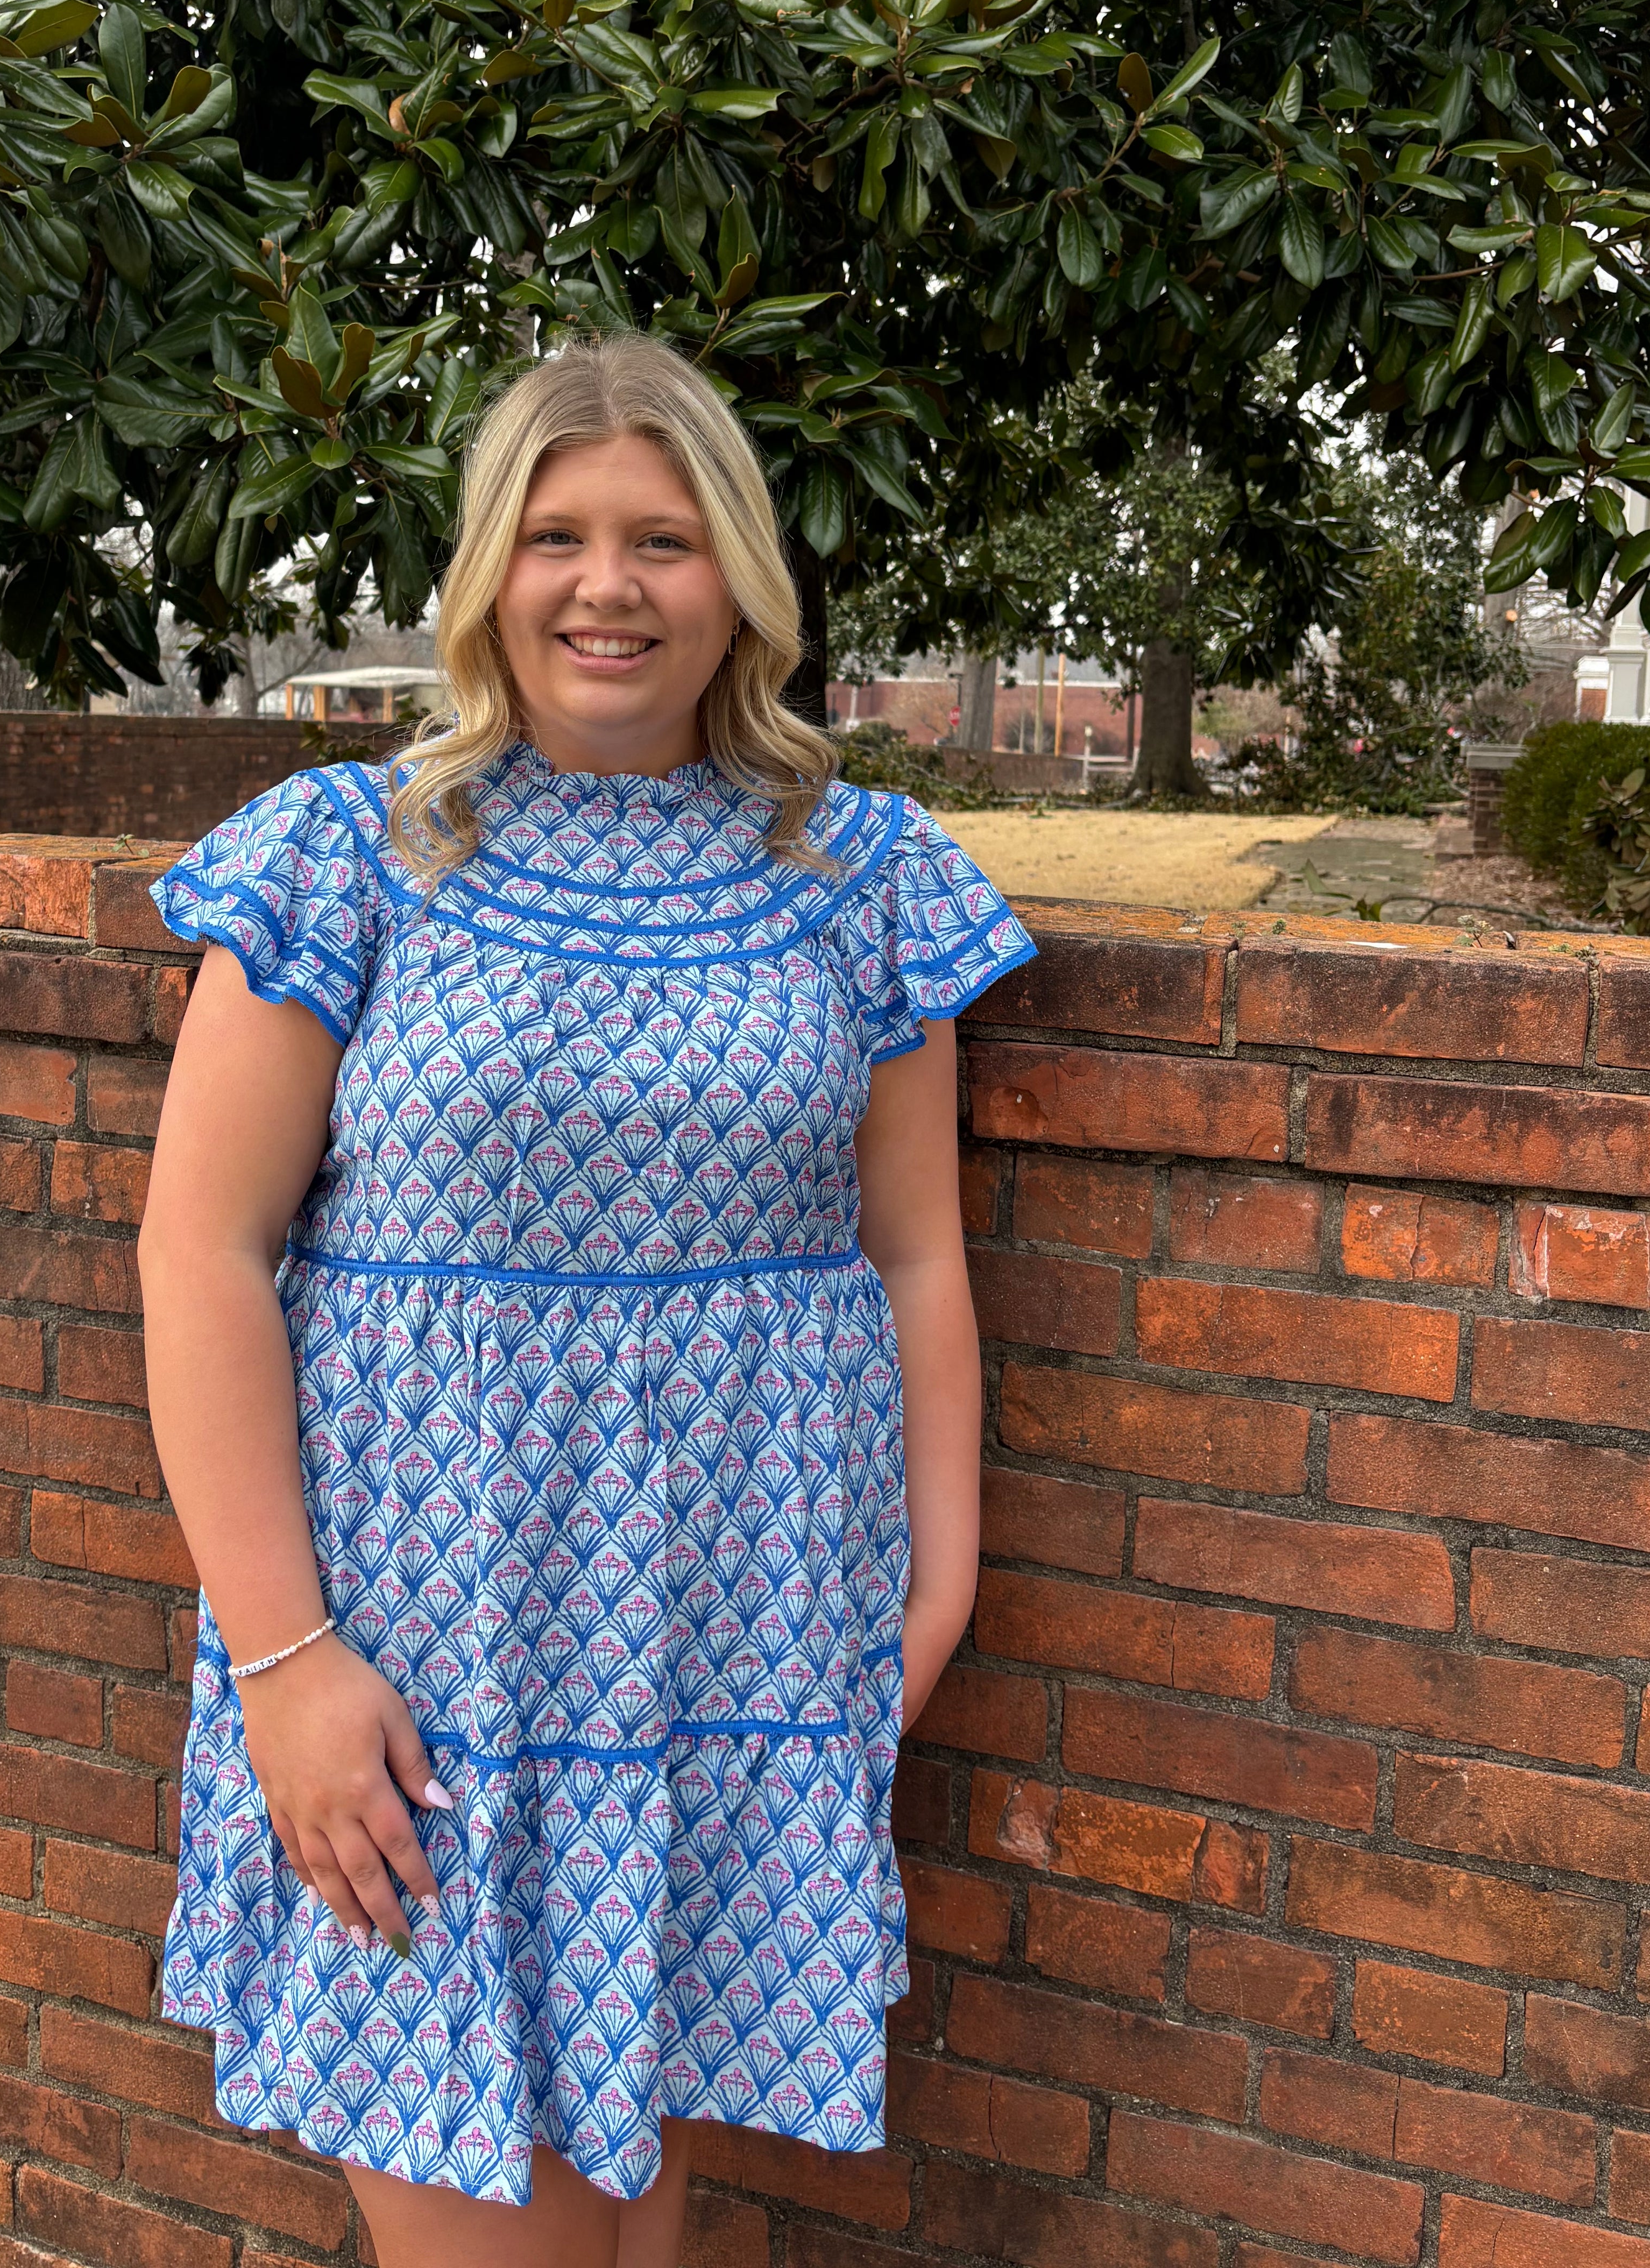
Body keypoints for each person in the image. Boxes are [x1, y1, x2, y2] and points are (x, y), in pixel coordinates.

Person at [137, 332, 1035, 2268]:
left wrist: (936, 1586)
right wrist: (288, 1665)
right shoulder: (351, 854)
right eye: (556, 537)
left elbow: (913, 1260)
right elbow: (199, 1252)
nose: (608, 586)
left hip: (742, 1648)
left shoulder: (859, 873)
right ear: (488, 575)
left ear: (741, 584)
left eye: (664, 538)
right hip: (417, 1675)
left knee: (642, 2218)